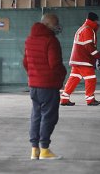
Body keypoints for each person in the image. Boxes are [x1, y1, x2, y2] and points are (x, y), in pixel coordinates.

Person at [23, 13, 66, 160]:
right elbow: (55, 64)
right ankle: (45, 150)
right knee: (49, 117)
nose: (57, 26)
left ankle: (34, 149)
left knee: (36, 116)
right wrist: (62, 75)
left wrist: (34, 75)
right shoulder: (51, 40)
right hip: (48, 85)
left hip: (34, 86)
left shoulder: (29, 40)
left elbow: (25, 62)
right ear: (47, 25)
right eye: (56, 23)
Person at [60, 12, 100, 106]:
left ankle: (64, 99)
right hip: (83, 60)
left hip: (77, 60)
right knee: (91, 78)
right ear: (94, 20)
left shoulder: (83, 28)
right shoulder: (88, 29)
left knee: (74, 79)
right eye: (98, 21)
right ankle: (90, 100)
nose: (99, 23)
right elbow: (89, 46)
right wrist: (98, 56)